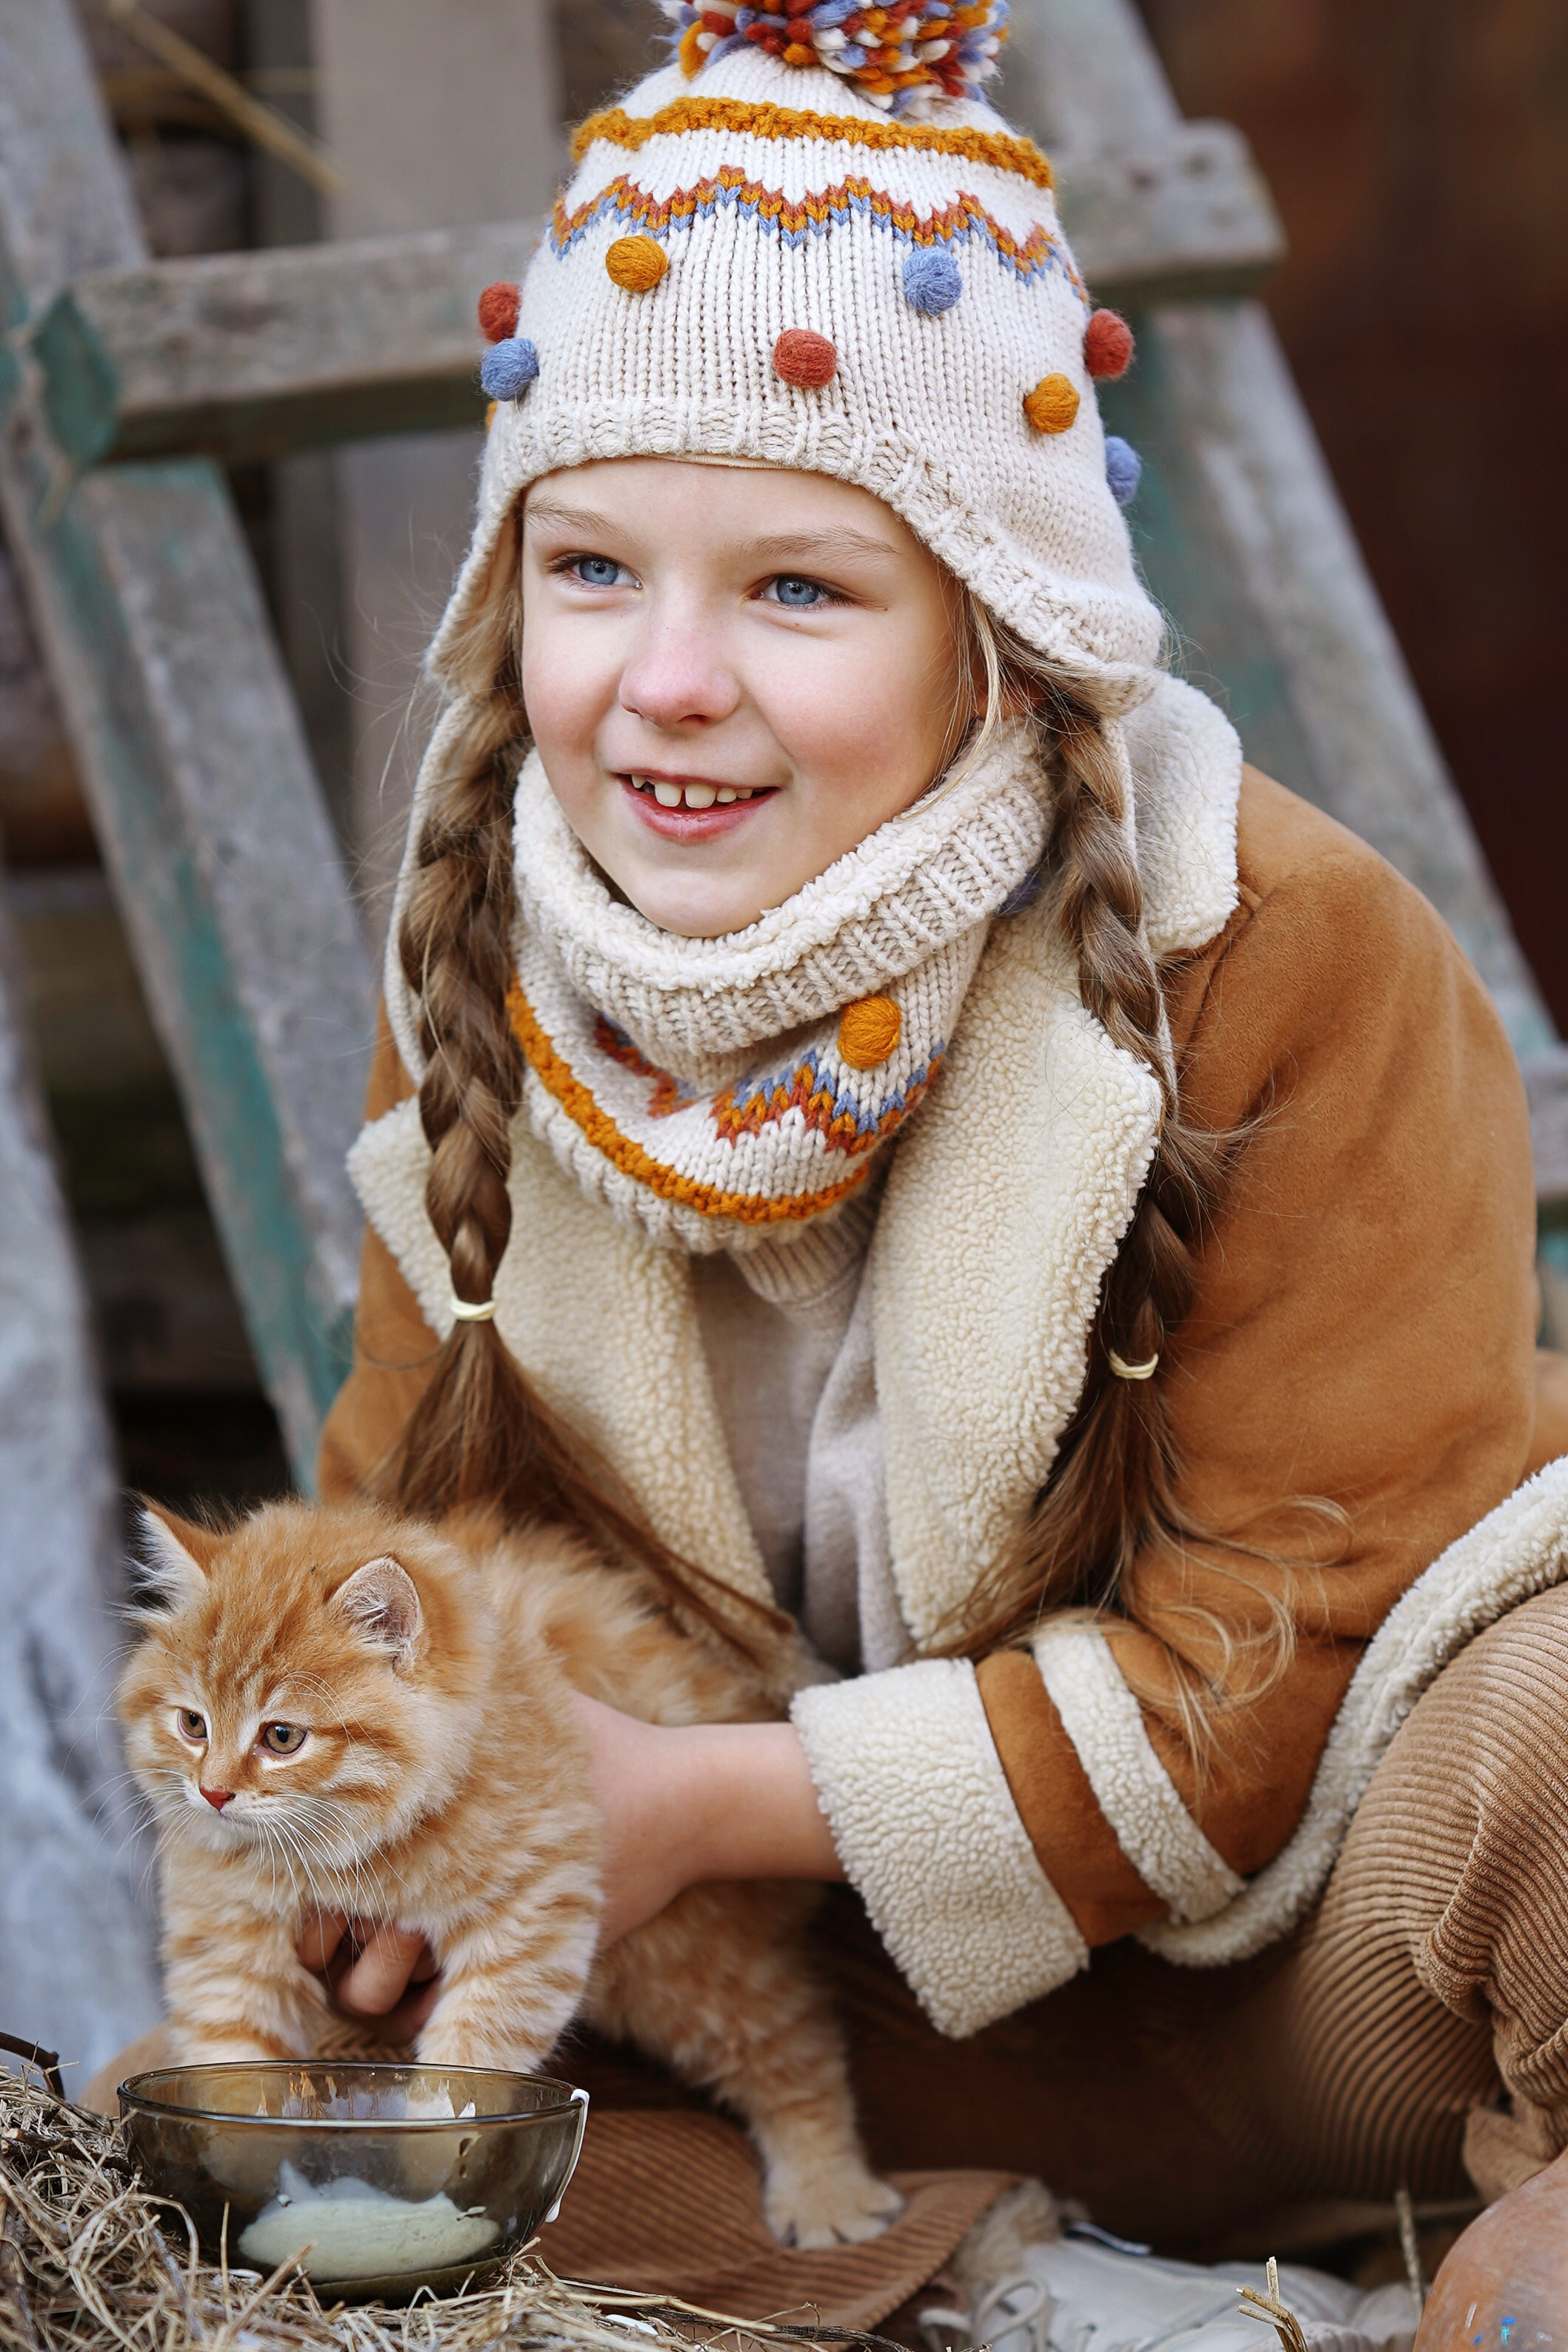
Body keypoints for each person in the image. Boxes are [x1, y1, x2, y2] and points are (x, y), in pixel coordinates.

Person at [95, 0, 1568, 2287]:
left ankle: (1480, 2228)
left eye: (795, 586)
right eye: (590, 572)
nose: (665, 679)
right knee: (197, 2116)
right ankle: (999, 2283)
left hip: (1299, 1973)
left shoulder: (1279, 949)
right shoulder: (481, 966)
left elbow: (1295, 1641)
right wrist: (409, 1871)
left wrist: (695, 1804)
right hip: (799, 2013)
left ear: (1002, 641)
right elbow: (416, 1545)